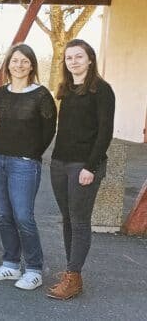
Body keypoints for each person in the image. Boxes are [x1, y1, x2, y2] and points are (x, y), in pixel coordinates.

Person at [0, 44, 56, 291]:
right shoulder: (1, 93)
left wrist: (30, 154)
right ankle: (11, 264)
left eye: (25, 61)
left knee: (23, 216)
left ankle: (34, 269)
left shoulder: (41, 95)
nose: (19, 65)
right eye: (15, 60)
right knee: (4, 215)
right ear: (8, 64)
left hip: (24, 164)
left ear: (32, 65)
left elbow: (49, 131)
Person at [46, 39, 115, 300]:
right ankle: (71, 270)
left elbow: (105, 132)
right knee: (67, 218)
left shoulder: (102, 90)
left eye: (79, 56)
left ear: (90, 59)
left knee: (79, 220)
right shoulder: (67, 90)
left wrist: (90, 167)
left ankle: (73, 277)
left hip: (83, 166)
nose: (73, 61)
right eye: (69, 57)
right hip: (60, 163)